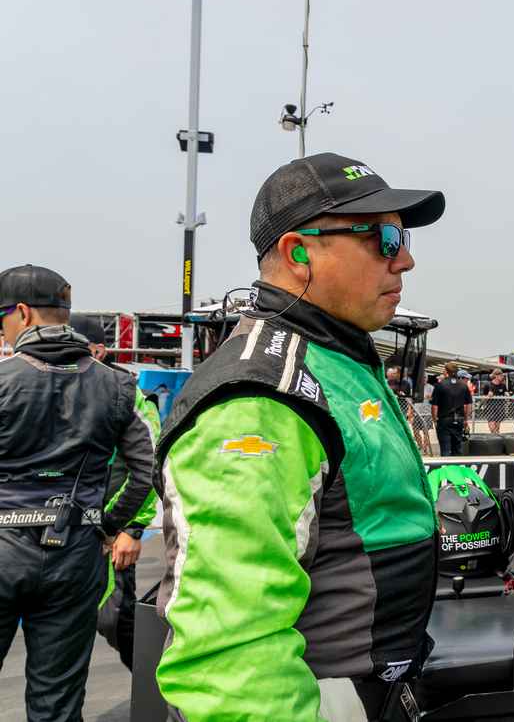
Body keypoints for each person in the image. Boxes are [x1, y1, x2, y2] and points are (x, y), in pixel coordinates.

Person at [153, 152, 446, 720]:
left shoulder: (336, 359)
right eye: (384, 239)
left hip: (373, 688)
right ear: (298, 253)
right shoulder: (261, 400)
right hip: (320, 698)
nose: (405, 259)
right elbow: (228, 660)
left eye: (403, 236)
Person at [0, 266, 156, 721]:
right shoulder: (119, 386)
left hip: (5, 545)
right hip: (77, 553)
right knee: (58, 701)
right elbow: (148, 470)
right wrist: (106, 524)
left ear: (23, 314)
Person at [69, 313, 161, 671]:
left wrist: (130, 528)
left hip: (109, 533)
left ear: (100, 350)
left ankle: (158, 696)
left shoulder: (128, 395)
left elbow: (150, 467)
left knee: (117, 623)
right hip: (56, 535)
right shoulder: (52, 390)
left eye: (79, 349)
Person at [432, 362, 472, 456]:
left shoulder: (440, 386)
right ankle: (456, 468)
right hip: (459, 419)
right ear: (457, 373)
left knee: (445, 448)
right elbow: (469, 404)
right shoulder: (463, 385)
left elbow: (434, 406)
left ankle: (446, 468)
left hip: (444, 420)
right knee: (457, 448)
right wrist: (465, 419)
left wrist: (435, 420)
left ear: (445, 372)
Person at [482, 367, 511, 435]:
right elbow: (482, 399)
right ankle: (496, 437)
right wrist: (488, 396)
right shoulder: (488, 385)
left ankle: (497, 440)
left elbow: (507, 394)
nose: (502, 377)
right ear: (496, 376)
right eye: (501, 375)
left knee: (497, 428)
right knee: (492, 428)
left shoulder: (503, 386)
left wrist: (507, 395)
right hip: (491, 408)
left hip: (500, 408)